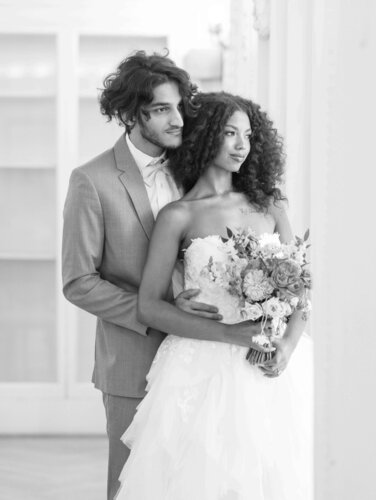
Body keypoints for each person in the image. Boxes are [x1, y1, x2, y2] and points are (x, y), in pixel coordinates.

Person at [62, 52, 263, 500]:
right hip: (134, 357)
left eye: (179, 107)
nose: (177, 119)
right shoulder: (91, 181)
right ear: (133, 114)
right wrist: (159, 311)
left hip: (207, 361)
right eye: (161, 109)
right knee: (134, 483)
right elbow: (78, 280)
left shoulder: (191, 166)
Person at [115, 92, 313, 500]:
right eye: (229, 133)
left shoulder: (269, 204)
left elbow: (300, 286)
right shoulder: (178, 215)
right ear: (205, 136)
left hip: (272, 371)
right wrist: (233, 334)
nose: (242, 145)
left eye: (247, 135)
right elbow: (149, 306)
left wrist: (288, 346)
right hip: (201, 370)